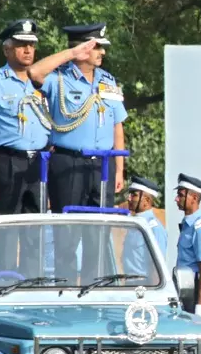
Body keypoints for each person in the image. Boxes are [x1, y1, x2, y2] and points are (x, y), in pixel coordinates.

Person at [28, 24, 127, 280]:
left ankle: (94, 287)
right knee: (67, 234)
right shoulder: (60, 78)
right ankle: (68, 287)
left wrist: (119, 169)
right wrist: (71, 54)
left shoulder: (107, 81)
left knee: (99, 233)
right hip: (69, 162)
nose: (102, 53)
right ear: (83, 48)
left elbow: (117, 126)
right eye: (97, 47)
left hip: (103, 165)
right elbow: (34, 72)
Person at [0, 19, 49, 275]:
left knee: (35, 229)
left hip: (39, 162)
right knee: (6, 227)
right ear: (7, 49)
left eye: (31, 45)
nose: (28, 50)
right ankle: (5, 281)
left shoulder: (43, 83)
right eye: (21, 45)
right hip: (6, 160)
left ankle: (32, 282)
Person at [173, 174, 201, 316]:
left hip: (194, 290)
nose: (176, 199)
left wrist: (200, 306)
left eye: (181, 195)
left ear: (194, 198)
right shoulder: (187, 225)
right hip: (183, 286)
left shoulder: (200, 229)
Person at [124, 175, 167, 261]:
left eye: (134, 195)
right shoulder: (135, 223)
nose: (129, 199)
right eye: (130, 195)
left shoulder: (154, 228)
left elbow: (157, 263)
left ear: (147, 201)